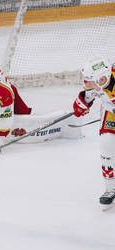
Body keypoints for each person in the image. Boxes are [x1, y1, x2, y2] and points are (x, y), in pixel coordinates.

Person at [73, 56, 115, 207]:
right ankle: (110, 189)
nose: (85, 84)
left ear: (102, 79)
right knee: (106, 144)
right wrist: (82, 103)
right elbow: (81, 104)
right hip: (111, 112)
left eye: (88, 80)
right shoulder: (97, 86)